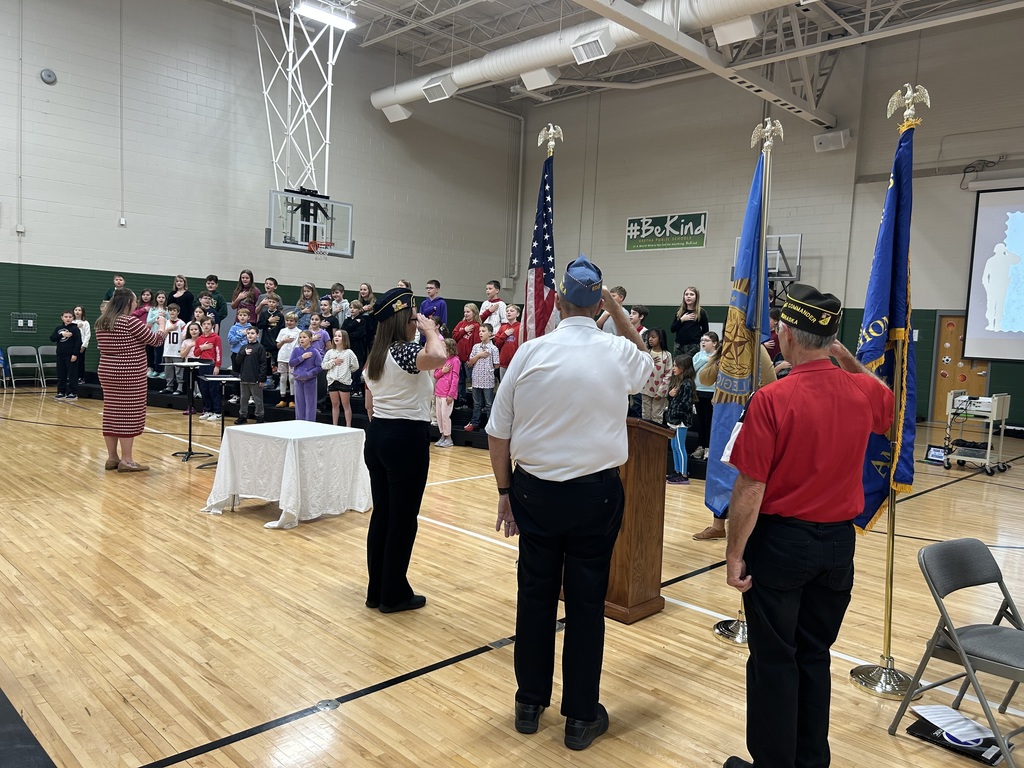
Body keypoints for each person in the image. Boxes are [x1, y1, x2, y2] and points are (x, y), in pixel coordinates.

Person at [721, 284, 894, 768]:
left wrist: (734, 554)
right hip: (839, 545)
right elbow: (885, 401)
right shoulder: (861, 390)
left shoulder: (773, 398)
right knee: (815, 655)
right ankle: (811, 760)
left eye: (780, 328)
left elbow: (750, 488)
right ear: (830, 340)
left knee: (775, 659)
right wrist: (846, 358)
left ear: (790, 337)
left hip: (781, 544)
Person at [486, 254, 652, 751]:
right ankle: (580, 718)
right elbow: (645, 359)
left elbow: (498, 433)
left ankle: (529, 703)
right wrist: (618, 312)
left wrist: (503, 493)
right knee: (585, 603)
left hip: (533, 491)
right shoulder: (618, 353)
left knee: (534, 596)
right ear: (598, 301)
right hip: (594, 495)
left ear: (558, 300)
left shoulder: (530, 352)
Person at [362, 287, 446, 613]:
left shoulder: (376, 355)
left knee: (383, 515)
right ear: (401, 322)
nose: (418, 323)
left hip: (379, 433)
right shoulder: (404, 351)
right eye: (413, 319)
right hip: (405, 437)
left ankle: (377, 590)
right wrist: (431, 331)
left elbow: (370, 404)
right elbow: (439, 356)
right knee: (402, 519)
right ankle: (393, 594)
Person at [691, 337, 776, 541]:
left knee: (744, 472)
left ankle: (747, 528)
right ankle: (718, 525)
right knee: (719, 470)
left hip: (748, 417)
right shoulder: (723, 351)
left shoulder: (758, 349)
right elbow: (705, 378)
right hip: (722, 416)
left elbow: (771, 382)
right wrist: (720, 362)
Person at [95, 288, 166, 471]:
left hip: (107, 372)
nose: (136, 304)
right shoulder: (130, 322)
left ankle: (112, 458)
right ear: (128, 303)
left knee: (111, 413)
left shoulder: (101, 322)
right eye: (134, 301)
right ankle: (127, 460)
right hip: (130, 373)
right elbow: (156, 340)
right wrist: (163, 325)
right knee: (129, 414)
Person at [665, 355, 696, 485]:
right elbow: (674, 399)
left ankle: (683, 474)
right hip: (674, 419)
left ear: (684, 367)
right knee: (674, 446)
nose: (674, 368)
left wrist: (676, 415)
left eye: (676, 366)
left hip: (680, 421)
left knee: (679, 446)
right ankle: (677, 471)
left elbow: (685, 404)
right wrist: (670, 396)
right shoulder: (678, 381)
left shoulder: (687, 384)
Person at [464, 324, 499, 432]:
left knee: (489, 404)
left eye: (483, 331)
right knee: (477, 403)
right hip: (476, 378)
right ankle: (475, 422)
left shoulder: (493, 348)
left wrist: (489, 370)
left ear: (490, 333)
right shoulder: (476, 347)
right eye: (480, 331)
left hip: (487, 379)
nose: (480, 333)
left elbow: (496, 364)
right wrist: (479, 355)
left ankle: (490, 424)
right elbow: (470, 363)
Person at [691, 331, 720, 461]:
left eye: (707, 340)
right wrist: (703, 360)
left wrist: (711, 360)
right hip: (698, 391)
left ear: (714, 343)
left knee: (709, 421)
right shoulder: (698, 355)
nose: (703, 342)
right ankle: (700, 446)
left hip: (711, 393)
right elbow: (692, 369)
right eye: (702, 339)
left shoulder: (718, 356)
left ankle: (709, 447)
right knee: (700, 421)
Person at [322, 328, 359, 427]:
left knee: (346, 405)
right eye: (335, 336)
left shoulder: (349, 352)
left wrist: (347, 370)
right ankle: (335, 425)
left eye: (339, 336)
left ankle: (348, 426)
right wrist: (333, 362)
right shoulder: (330, 352)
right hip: (332, 381)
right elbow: (323, 365)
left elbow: (356, 366)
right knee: (335, 404)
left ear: (344, 338)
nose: (336, 338)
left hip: (344, 381)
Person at [233, 326, 267, 425]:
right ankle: (243, 416)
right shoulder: (243, 347)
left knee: (258, 399)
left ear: (257, 335)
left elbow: (263, 364)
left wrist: (261, 378)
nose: (250, 335)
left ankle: (260, 416)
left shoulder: (260, 348)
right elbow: (237, 361)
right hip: (244, 377)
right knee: (243, 398)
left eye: (252, 333)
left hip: (255, 378)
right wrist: (243, 353)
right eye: (248, 333)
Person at [289, 330, 322, 422]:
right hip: (298, 379)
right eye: (300, 337)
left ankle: (310, 423)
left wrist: (309, 374)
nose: (301, 339)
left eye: (304, 337)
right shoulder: (296, 350)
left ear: (310, 339)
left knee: (310, 403)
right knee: (299, 403)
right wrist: (302, 357)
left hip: (310, 380)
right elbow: (291, 363)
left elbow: (319, 366)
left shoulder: (315, 352)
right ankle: (299, 422)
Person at [194, 317, 223, 422]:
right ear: (201, 326)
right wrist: (202, 348)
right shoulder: (199, 339)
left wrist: (217, 366)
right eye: (204, 324)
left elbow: (219, 352)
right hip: (202, 365)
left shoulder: (216, 338)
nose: (206, 326)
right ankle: (208, 410)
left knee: (213, 389)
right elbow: (196, 353)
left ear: (212, 326)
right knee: (204, 389)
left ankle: (218, 412)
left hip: (212, 365)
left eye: (208, 324)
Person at [433, 338, 460, 447]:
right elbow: (435, 374)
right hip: (438, 392)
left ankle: (448, 438)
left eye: (444, 346)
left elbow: (455, 378)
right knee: (439, 415)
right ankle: (442, 436)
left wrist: (451, 394)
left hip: (447, 394)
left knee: (445, 415)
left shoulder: (455, 360)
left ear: (450, 348)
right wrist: (442, 371)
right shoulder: (441, 360)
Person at [50, 310, 82, 400]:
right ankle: (61, 391)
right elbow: (52, 338)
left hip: (71, 355)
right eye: (66, 317)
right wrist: (61, 335)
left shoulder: (75, 329)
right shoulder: (58, 328)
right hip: (60, 355)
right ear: (62, 318)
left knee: (72, 374)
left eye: (70, 317)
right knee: (61, 374)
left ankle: (73, 392)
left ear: (73, 318)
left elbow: (78, 342)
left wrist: (75, 354)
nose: (68, 319)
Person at [641, 328, 671, 423]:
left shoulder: (667, 355)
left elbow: (668, 374)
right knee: (645, 415)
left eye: (653, 337)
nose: (650, 339)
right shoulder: (646, 353)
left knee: (657, 416)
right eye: (649, 337)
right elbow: (640, 369)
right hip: (646, 390)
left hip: (659, 392)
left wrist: (661, 392)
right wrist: (650, 361)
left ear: (660, 339)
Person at [670, 285, 709, 356]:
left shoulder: (701, 312)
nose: (688, 296)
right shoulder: (680, 311)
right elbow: (672, 329)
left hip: (693, 345)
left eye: (691, 294)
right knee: (678, 365)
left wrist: (696, 337)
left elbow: (705, 330)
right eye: (686, 294)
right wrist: (682, 320)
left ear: (696, 297)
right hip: (679, 345)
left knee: (690, 366)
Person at [257, 293, 284, 389]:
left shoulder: (280, 315)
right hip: (265, 343)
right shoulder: (264, 314)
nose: (271, 303)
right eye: (270, 301)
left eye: (273, 302)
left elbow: (282, 329)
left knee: (278, 363)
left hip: (276, 343)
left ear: (277, 304)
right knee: (266, 362)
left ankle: (280, 382)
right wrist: (268, 321)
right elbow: (259, 326)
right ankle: (268, 380)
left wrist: (279, 341)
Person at [159, 304, 186, 395]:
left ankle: (179, 387)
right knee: (168, 370)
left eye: (174, 310)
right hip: (167, 350)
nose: (172, 312)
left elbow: (185, 336)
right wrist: (169, 329)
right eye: (170, 310)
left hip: (177, 350)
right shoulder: (166, 322)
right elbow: (162, 336)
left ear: (178, 312)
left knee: (179, 370)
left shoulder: (182, 323)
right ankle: (169, 386)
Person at [275, 312, 301, 408]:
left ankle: (292, 399)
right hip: (282, 357)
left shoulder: (299, 332)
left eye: (291, 321)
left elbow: (300, 346)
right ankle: (282, 399)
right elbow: (278, 345)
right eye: (287, 320)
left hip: (292, 358)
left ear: (296, 322)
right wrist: (283, 341)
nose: (289, 322)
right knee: (282, 378)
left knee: (291, 378)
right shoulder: (282, 331)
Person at [495, 304, 521, 377]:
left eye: (512, 311)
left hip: (516, 361)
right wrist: (505, 335)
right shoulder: (503, 328)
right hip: (503, 362)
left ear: (517, 314)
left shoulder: (521, 327)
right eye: (507, 311)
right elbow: (497, 344)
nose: (508, 312)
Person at [72, 305, 91, 384]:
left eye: (79, 310)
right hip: (72, 345)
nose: (77, 311)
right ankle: (72, 377)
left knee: (80, 361)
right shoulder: (72, 322)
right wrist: (76, 326)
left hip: (81, 345)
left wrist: (84, 345)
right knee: (72, 362)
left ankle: (80, 377)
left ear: (82, 312)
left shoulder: (85, 323)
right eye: (76, 310)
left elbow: (87, 335)